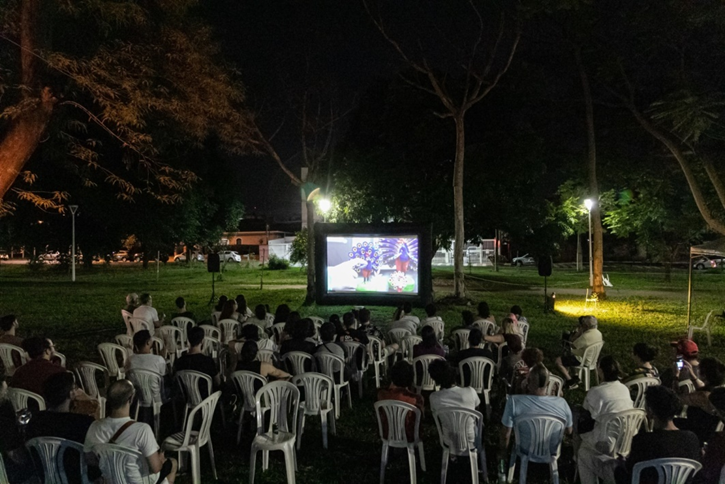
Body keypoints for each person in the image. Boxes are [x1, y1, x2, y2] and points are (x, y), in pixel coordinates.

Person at [84, 380, 177, 484]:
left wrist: (111, 464)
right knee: (173, 463)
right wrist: (160, 459)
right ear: (131, 398)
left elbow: (89, 459)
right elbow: (156, 468)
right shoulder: (142, 430)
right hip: (139, 481)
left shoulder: (95, 426)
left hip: (109, 480)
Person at [615, 385, 700, 484]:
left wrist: (620, 463)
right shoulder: (691, 438)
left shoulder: (643, 440)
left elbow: (631, 471)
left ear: (650, 411)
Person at [26, 372, 98, 484]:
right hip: (78, 479)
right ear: (71, 394)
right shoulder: (84, 423)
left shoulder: (34, 420)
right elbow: (92, 460)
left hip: (45, 479)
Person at [577, 356, 634, 484]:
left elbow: (585, 419)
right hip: (626, 440)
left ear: (601, 371)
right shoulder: (624, 389)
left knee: (583, 452)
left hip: (606, 443)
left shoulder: (596, 392)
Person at [500, 364, 573, 464]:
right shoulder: (562, 403)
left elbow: (505, 434)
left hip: (524, 450)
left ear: (528, 382)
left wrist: (502, 454)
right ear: (548, 384)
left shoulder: (514, 402)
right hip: (551, 451)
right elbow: (569, 431)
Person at [674, 356, 725, 445]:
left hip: (697, 435)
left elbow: (676, 399)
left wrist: (676, 377)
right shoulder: (719, 391)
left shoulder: (701, 397)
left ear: (704, 375)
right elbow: (703, 387)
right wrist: (692, 375)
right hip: (710, 431)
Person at [429, 359, 480, 444]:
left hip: (449, 441)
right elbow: (477, 413)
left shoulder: (434, 397)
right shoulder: (470, 391)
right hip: (471, 440)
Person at [377, 361, 424, 442]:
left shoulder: (382, 395)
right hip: (410, 436)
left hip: (388, 434)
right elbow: (420, 419)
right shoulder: (416, 399)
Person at [555, 315, 603, 389]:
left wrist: (578, 333)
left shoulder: (586, 336)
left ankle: (570, 381)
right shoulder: (599, 333)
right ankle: (575, 376)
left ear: (586, 326)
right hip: (593, 359)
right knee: (569, 355)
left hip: (582, 360)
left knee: (558, 361)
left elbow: (573, 345)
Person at [696, 387, 725, 484]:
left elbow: (708, 472)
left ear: (722, 413)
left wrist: (705, 456)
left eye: (715, 412)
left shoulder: (719, 439)